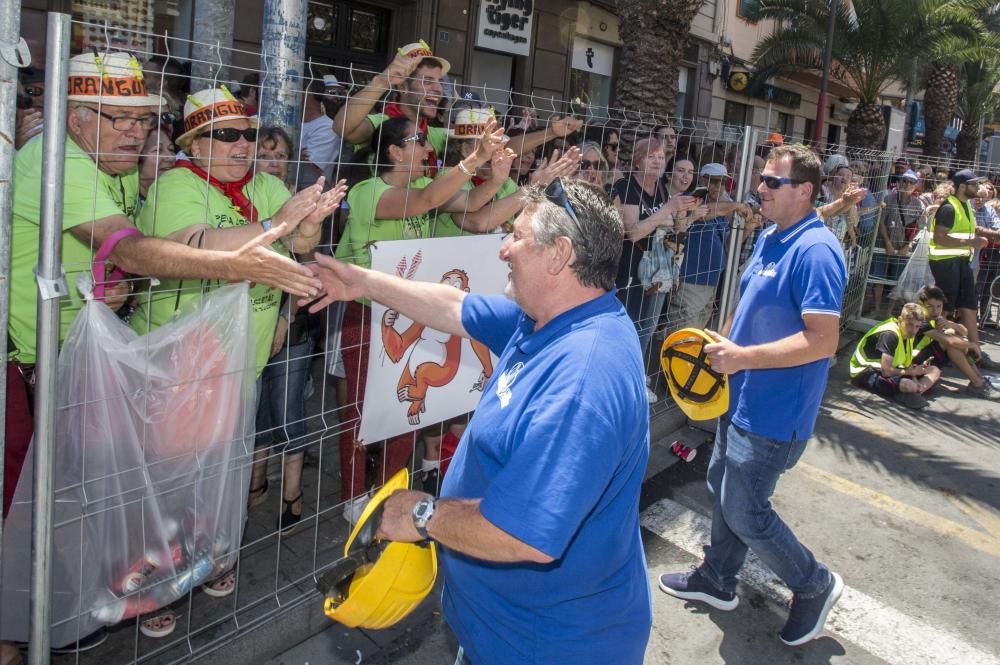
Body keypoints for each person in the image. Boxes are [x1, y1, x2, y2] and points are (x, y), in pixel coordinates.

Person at [2, 51, 323, 658]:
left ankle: (62, 608)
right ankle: (22, 631)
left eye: (143, 118)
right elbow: (136, 248)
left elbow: (113, 256)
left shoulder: (115, 164)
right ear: (74, 118)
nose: (134, 130)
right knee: (42, 503)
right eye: (116, 116)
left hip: (91, 360)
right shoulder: (64, 164)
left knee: (94, 494)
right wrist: (242, 259)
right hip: (31, 361)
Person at [304, 177, 652, 665]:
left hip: (549, 647)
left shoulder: (582, 378)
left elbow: (522, 535)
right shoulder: (550, 320)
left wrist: (423, 515)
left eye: (518, 236)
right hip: (501, 629)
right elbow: (454, 307)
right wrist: (360, 282)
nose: (504, 248)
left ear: (559, 255)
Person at [130, 86, 346, 628]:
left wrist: (309, 224)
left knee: (222, 471)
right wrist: (279, 223)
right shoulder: (174, 186)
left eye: (248, 135)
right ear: (195, 144)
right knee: (170, 480)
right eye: (226, 136)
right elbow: (196, 246)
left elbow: (298, 250)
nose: (243, 145)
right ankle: (158, 586)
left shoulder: (268, 184)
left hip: (245, 359)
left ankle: (211, 558)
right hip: (180, 366)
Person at [659, 143, 847, 647]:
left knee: (746, 510)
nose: (759, 188)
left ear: (805, 191)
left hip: (775, 412)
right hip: (738, 399)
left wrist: (742, 359)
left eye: (771, 182)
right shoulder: (771, 236)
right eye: (762, 179)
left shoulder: (817, 251)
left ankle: (813, 583)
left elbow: (823, 339)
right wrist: (718, 346)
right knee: (722, 485)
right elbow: (747, 313)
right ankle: (717, 579)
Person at [334, 116, 506, 522]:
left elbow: (470, 204)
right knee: (363, 411)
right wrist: (473, 159)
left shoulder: (418, 190)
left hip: (410, 311)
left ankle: (390, 488)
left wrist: (496, 178)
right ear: (393, 151)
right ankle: (354, 496)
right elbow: (429, 201)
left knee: (408, 407)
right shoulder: (366, 192)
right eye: (419, 142)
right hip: (367, 313)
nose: (429, 149)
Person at [611, 137, 698, 381]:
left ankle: (636, 375)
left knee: (647, 327)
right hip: (630, 271)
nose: (658, 161)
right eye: (652, 156)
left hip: (656, 272)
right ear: (638, 161)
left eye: (661, 157)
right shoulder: (627, 186)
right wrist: (669, 208)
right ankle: (624, 378)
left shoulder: (660, 187)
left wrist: (683, 214)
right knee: (630, 326)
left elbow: (671, 227)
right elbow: (634, 232)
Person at [669, 163, 754, 332]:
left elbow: (729, 245)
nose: (718, 186)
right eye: (714, 181)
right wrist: (735, 206)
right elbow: (706, 212)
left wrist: (748, 228)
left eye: (722, 182)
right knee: (682, 335)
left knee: (694, 341)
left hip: (711, 284)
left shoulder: (722, 209)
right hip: (691, 282)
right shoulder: (693, 200)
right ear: (702, 180)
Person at [928, 169, 999, 370]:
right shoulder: (948, 207)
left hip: (961, 262)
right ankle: (941, 350)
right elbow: (939, 237)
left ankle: (974, 350)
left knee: (969, 304)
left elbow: (973, 229)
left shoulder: (965, 206)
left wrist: (994, 235)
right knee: (947, 309)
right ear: (962, 187)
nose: (978, 188)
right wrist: (973, 242)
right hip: (946, 263)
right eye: (974, 184)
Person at [850, 303, 941, 409]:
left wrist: (915, 377)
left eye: (917, 326)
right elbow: (886, 371)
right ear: (900, 319)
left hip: (892, 370)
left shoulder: (909, 334)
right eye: (910, 325)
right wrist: (912, 373)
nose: (913, 330)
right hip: (866, 372)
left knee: (934, 370)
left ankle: (912, 391)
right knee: (908, 385)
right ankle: (909, 391)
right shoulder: (890, 335)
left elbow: (907, 363)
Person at [913, 286, 995, 398]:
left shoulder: (936, 318)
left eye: (939, 306)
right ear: (921, 305)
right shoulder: (921, 320)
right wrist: (973, 345)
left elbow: (964, 332)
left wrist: (952, 324)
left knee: (954, 334)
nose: (935, 310)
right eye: (930, 307)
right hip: (914, 361)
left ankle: (979, 379)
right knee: (952, 345)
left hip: (928, 358)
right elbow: (948, 341)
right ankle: (977, 383)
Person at [872, 169, 923, 316]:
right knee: (878, 279)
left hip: (902, 248)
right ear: (899, 182)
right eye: (905, 181)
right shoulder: (889, 199)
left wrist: (909, 245)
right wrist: (887, 243)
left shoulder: (917, 204)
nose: (907, 184)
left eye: (911, 182)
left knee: (897, 281)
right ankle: (876, 309)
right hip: (883, 244)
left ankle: (888, 311)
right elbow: (881, 222)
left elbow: (921, 227)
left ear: (915, 185)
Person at [298, 76, 345, 188]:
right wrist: (299, 155)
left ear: (308, 92)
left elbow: (307, 169)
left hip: (311, 196)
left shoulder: (327, 128)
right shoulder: (290, 124)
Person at [255, 125, 295, 190]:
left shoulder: (305, 197)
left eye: (280, 156)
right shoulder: (240, 197)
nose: (275, 164)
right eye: (264, 157)